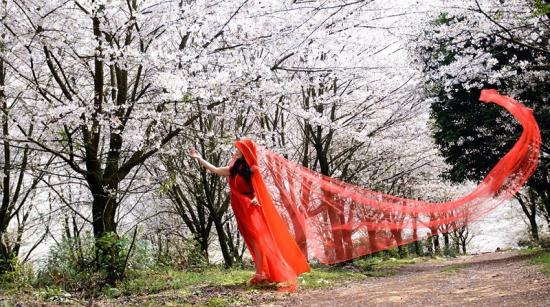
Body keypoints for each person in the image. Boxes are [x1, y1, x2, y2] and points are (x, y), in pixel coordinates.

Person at [189, 139, 310, 292]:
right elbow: (216, 170)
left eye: (239, 149)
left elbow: (260, 190)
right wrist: (199, 158)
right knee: (252, 241)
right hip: (240, 207)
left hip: (251, 207)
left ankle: (262, 274)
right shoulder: (234, 168)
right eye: (236, 149)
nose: (235, 151)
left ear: (246, 152)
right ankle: (263, 273)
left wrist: (255, 198)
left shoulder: (253, 169)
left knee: (259, 240)